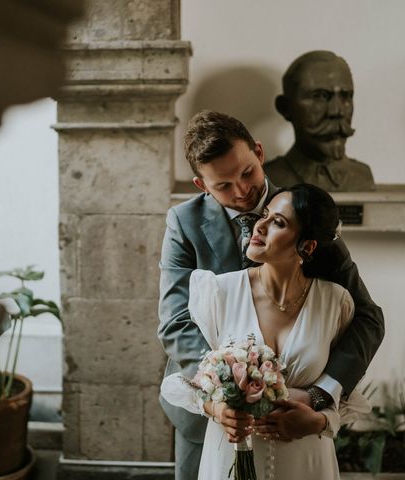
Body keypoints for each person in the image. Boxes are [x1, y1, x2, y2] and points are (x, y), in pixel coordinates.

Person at [157, 110, 384, 480]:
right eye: (223, 186)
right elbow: (175, 323)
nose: (242, 191)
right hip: (210, 422)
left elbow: (367, 317)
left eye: (246, 173)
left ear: (258, 152)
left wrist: (319, 396)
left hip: (296, 420)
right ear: (202, 185)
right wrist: (224, 394)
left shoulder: (305, 212)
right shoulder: (183, 223)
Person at [264, 50, 376, 192]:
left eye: (345, 96)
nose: (337, 111)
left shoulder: (362, 176)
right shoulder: (269, 179)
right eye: (319, 96)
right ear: (285, 108)